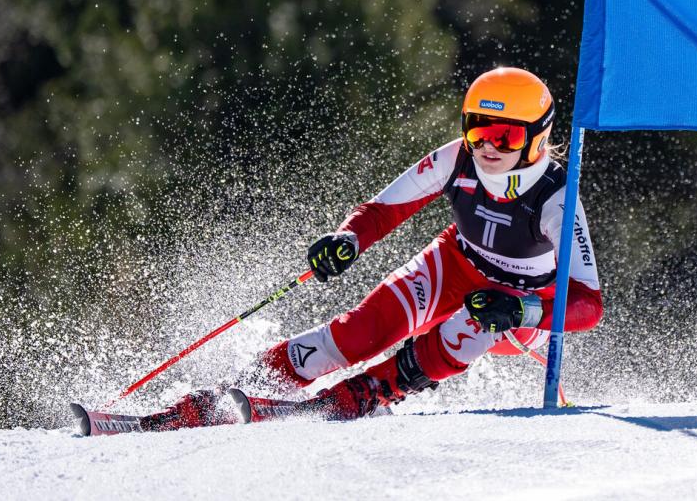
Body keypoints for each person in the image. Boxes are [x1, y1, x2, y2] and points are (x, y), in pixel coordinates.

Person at [146, 67, 602, 429]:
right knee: (362, 330)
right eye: (478, 130)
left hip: (523, 305)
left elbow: (588, 304)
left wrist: (524, 312)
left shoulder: (557, 197)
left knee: (474, 323)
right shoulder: (457, 158)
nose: (487, 147)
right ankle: (235, 392)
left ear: (537, 136)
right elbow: (384, 209)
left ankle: (367, 393)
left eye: (506, 137)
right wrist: (348, 238)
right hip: (456, 265)